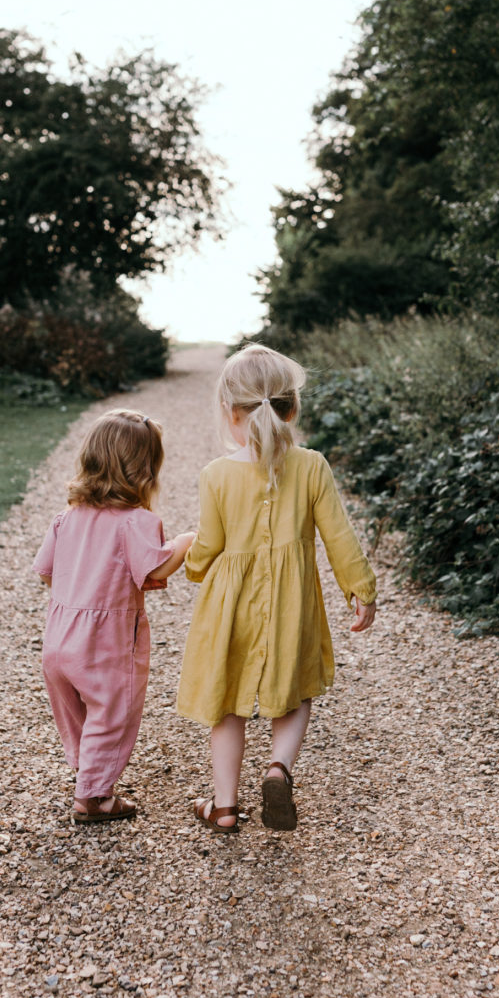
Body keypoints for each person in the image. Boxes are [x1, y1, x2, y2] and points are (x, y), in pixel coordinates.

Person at [177, 343, 377, 833]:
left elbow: (209, 544)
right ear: (292, 408)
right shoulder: (311, 466)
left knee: (227, 702)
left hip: (231, 605)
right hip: (293, 603)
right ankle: (278, 768)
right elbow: (338, 536)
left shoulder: (217, 475)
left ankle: (224, 806)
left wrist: (192, 567)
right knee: (295, 685)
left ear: (230, 412)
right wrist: (360, 588)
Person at [33, 409, 195, 824]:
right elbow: (155, 569)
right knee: (112, 712)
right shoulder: (138, 522)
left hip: (58, 639)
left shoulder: (66, 519)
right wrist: (185, 541)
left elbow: (46, 573)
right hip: (107, 640)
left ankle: (87, 772)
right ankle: (94, 797)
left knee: (76, 712)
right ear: (146, 469)